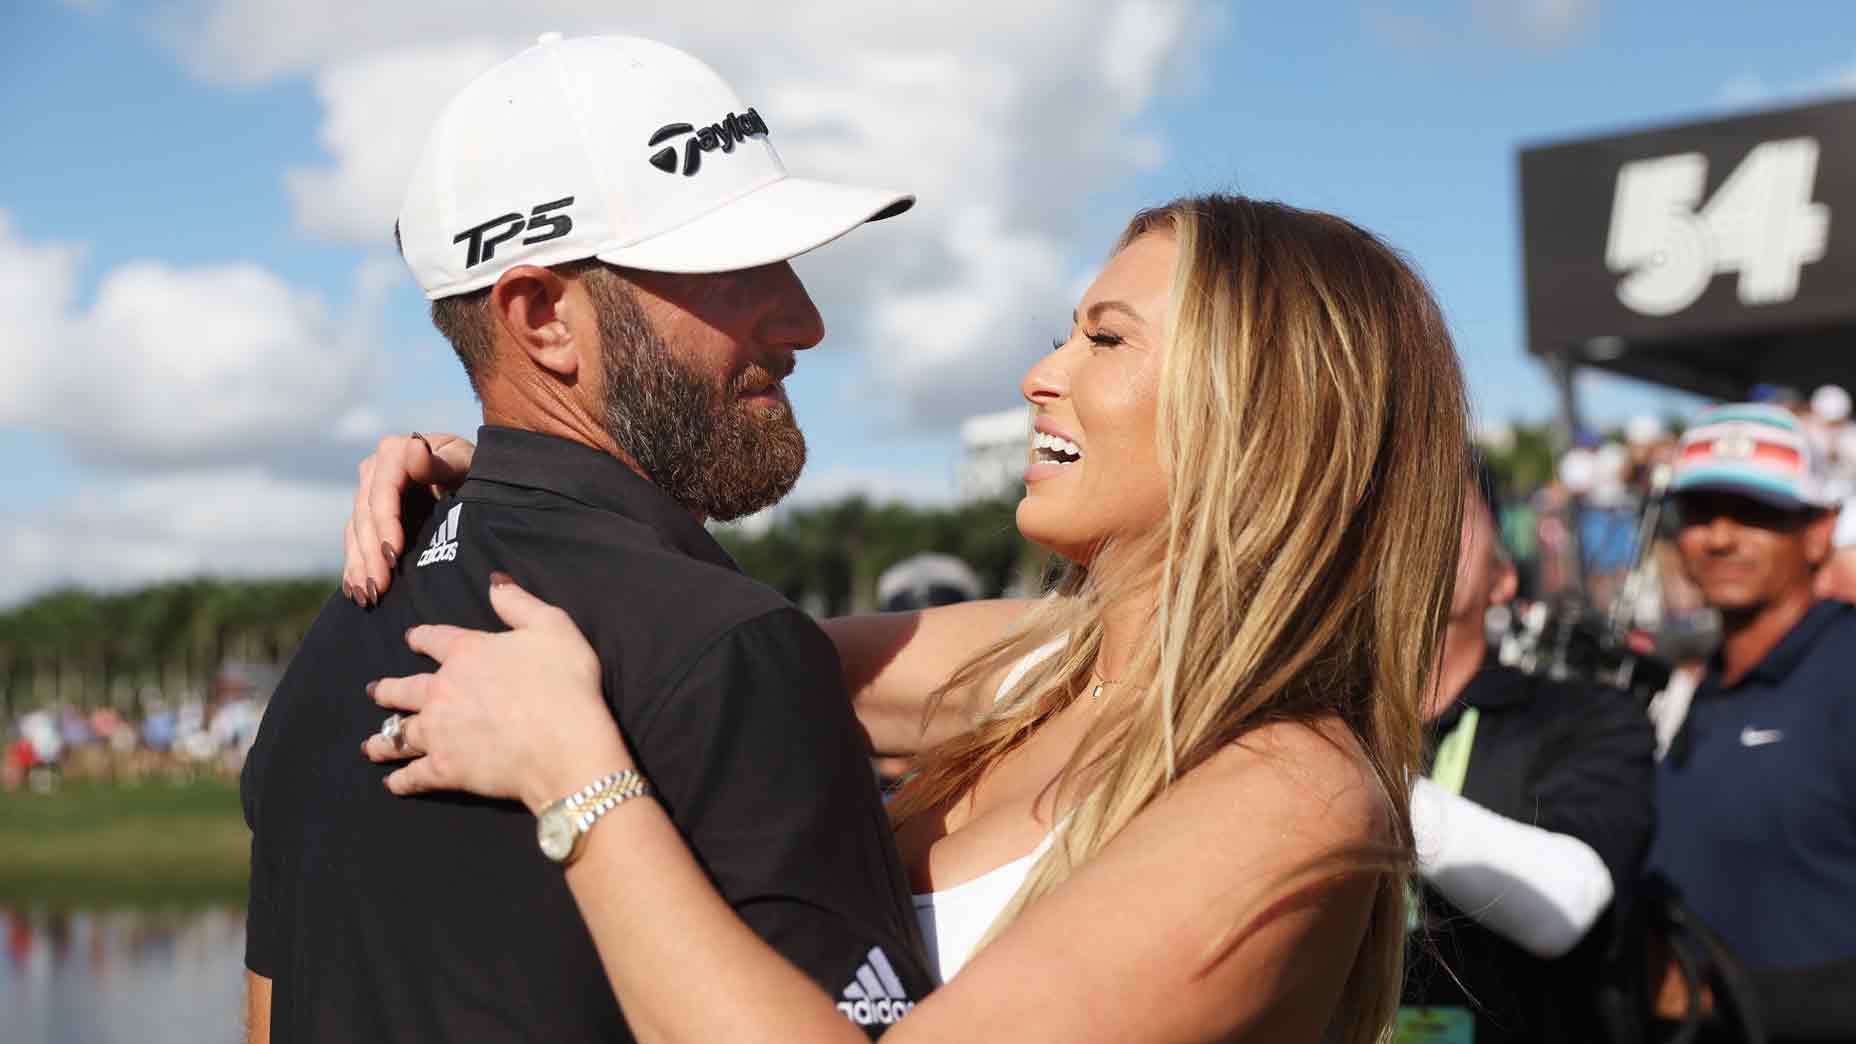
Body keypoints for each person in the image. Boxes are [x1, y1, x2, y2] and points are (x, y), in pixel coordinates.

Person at [342, 193, 1473, 1041]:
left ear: (1266, 415)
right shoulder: (1040, 667)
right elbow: (683, 668)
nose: (1038, 374)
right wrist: (513, 486)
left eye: (1106, 339)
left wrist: (579, 792)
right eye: (1062, 332)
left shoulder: (1292, 794)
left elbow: (610, 719)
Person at [241, 34, 933, 1044]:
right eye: (733, 268)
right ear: (540, 318)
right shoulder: (730, 647)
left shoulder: (330, 651)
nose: (803, 320)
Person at [1399, 468, 1655, 1044]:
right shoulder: (1332, 720)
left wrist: (1353, 779)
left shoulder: (1586, 716)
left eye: (1451, 509)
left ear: (1504, 578)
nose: (1423, 523)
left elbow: (1566, 904)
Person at [1648, 403, 1856, 1041]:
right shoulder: (1691, 686)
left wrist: (1742, 1001)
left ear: (1818, 531)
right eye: (1700, 512)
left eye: (1756, 513)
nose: (1719, 536)